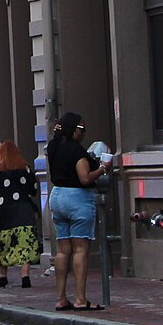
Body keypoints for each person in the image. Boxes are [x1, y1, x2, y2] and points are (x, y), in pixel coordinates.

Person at [46, 110, 110, 312]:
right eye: (81, 129)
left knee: (63, 250)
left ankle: (61, 298)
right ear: (72, 129)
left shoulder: (53, 147)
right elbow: (85, 177)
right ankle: (81, 299)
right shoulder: (77, 151)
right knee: (81, 249)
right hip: (77, 198)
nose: (83, 133)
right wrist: (103, 168)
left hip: (57, 196)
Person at [0, 140, 41, 288]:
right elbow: (33, 189)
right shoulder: (26, 169)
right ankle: (25, 277)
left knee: (3, 243)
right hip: (24, 209)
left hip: (4, 211)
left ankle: (3, 277)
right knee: (25, 243)